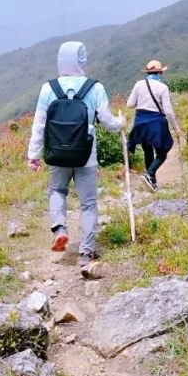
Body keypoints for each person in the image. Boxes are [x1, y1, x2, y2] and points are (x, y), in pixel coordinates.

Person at [28, 41, 125, 266]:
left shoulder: (48, 88)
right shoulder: (95, 88)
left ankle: (60, 229)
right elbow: (108, 122)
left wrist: (33, 154)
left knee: (57, 190)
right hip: (86, 156)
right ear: (82, 60)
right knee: (88, 204)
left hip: (57, 155)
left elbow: (39, 125)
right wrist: (121, 123)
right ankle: (86, 252)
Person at [126, 60, 181, 192]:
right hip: (156, 123)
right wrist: (176, 128)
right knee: (162, 152)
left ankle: (152, 181)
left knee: (147, 151)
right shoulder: (163, 88)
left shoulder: (139, 84)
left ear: (148, 72)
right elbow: (168, 111)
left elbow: (130, 104)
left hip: (141, 122)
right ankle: (149, 174)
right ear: (160, 72)